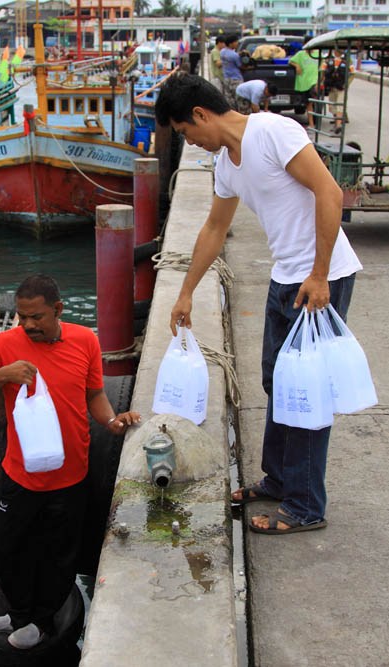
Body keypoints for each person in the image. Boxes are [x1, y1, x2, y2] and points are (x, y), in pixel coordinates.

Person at [154, 74, 362, 535]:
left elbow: (330, 193)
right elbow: (213, 228)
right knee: (276, 380)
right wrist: (186, 291)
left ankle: (306, 505)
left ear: (202, 115)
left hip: (321, 276)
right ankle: (279, 478)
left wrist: (320, 274)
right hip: (286, 276)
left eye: (188, 133)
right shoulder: (227, 164)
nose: (193, 143)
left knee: (306, 388)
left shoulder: (274, 133)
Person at [0, 275, 141, 649]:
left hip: (70, 479)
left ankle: (41, 623)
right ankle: (18, 614)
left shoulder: (86, 341)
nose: (27, 325)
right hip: (19, 476)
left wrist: (111, 421)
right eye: (22, 317)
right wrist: (3, 374)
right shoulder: (2, 345)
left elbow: (95, 395)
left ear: (58, 310)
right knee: (8, 548)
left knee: (58, 557)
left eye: (36, 317)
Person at [288, 48, 319, 130]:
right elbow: (291, 61)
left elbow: (323, 67)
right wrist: (297, 65)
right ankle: (311, 123)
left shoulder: (318, 53)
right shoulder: (301, 54)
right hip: (304, 83)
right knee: (308, 104)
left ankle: (312, 123)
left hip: (314, 81)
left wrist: (321, 81)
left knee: (312, 102)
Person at [322, 50, 350, 130]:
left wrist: (347, 83)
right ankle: (336, 122)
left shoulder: (346, 60)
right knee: (331, 106)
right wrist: (321, 82)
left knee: (340, 105)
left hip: (341, 86)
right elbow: (322, 71)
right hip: (331, 86)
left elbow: (352, 73)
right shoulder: (328, 60)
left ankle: (338, 125)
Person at [220, 35, 243, 109]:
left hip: (226, 78)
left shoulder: (222, 52)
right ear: (230, 44)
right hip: (236, 79)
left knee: (229, 100)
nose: (237, 43)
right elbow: (240, 66)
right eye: (235, 42)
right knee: (239, 100)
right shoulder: (234, 55)